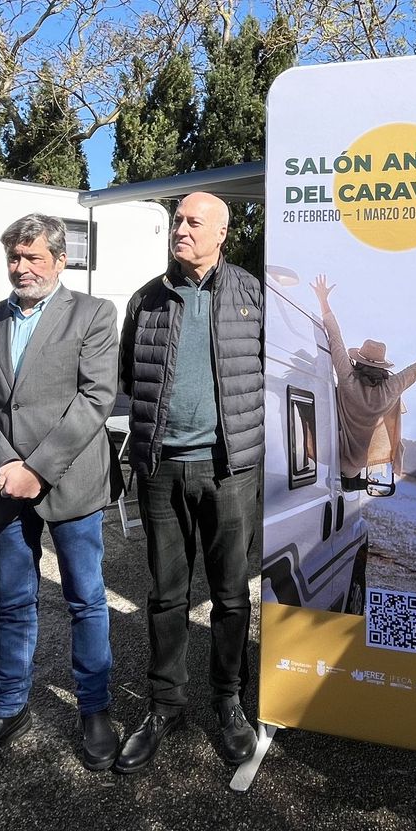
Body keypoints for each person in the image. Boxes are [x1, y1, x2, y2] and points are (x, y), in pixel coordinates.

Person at [0, 213, 122, 779]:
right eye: (14, 260)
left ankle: (95, 710)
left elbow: (96, 399)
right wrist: (6, 463)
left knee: (86, 600)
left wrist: (38, 469)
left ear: (59, 260)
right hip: (4, 485)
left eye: (32, 259)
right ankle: (8, 709)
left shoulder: (93, 314)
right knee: (13, 601)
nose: (21, 269)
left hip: (70, 482)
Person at [116, 191, 263, 772]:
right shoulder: (147, 299)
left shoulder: (252, 295)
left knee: (230, 596)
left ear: (222, 232)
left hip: (230, 469)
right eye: (176, 220)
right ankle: (164, 705)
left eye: (193, 222)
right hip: (160, 469)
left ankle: (228, 703)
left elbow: (275, 373)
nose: (180, 229)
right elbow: (130, 373)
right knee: (165, 595)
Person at [310, 274, 416, 486]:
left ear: (358, 362)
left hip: (326, 452)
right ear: (382, 367)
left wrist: (323, 300)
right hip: (353, 465)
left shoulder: (347, 377)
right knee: (347, 483)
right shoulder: (390, 388)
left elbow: (335, 339)